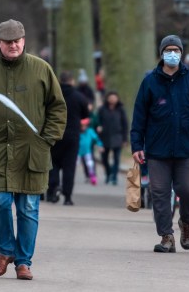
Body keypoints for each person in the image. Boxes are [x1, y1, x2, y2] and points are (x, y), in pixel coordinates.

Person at [0, 19, 66, 280]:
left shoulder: (41, 69)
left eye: (17, 41)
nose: (13, 45)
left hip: (31, 152)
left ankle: (23, 261)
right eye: (7, 42)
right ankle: (6, 251)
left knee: (28, 208)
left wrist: (46, 139)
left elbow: (57, 107)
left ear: (24, 41)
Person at [131, 35, 189, 253]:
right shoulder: (150, 82)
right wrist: (136, 145)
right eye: (168, 50)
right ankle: (166, 235)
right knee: (159, 192)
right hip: (157, 149)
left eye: (176, 50)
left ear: (181, 53)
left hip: (187, 146)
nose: (173, 54)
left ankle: (186, 222)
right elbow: (139, 115)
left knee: (188, 190)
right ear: (161, 53)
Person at [47, 71, 90, 205]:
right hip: (72, 135)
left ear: (59, 80)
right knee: (69, 167)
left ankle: (52, 191)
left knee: (52, 164)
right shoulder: (79, 97)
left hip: (54, 134)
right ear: (72, 81)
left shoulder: (52, 95)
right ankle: (67, 196)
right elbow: (85, 114)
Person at [96, 91, 128, 185]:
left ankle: (114, 177)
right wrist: (98, 126)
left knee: (116, 158)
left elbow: (125, 124)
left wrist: (125, 139)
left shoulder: (121, 109)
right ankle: (108, 173)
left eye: (114, 97)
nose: (113, 99)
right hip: (104, 137)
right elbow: (97, 121)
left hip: (118, 137)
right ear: (107, 98)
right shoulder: (102, 109)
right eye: (111, 97)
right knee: (104, 158)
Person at [78, 117, 100, 185]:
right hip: (78, 152)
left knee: (90, 164)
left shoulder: (90, 131)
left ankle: (92, 177)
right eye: (82, 126)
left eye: (84, 126)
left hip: (87, 152)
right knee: (73, 164)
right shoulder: (78, 132)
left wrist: (100, 145)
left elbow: (96, 138)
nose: (83, 127)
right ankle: (68, 178)